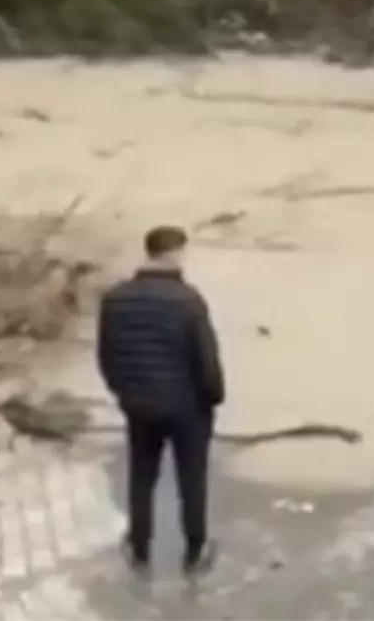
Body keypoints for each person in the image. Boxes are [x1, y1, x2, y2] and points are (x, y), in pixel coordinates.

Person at [96, 224, 225, 577]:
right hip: (186, 405)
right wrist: (213, 397)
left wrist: (124, 393)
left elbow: (106, 355)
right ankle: (195, 550)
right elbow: (206, 359)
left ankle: (139, 548)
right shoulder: (188, 300)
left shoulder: (115, 299)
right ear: (176, 253)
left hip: (139, 404)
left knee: (142, 476)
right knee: (191, 478)